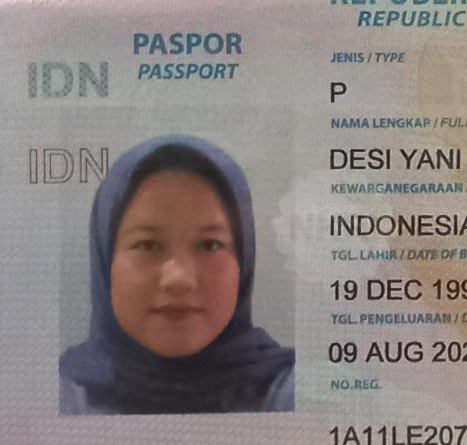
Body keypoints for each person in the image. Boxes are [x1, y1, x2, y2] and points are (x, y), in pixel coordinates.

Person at [59, 136, 295, 414]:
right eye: (148, 245)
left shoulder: (288, 391)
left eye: (210, 245)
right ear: (105, 258)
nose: (179, 279)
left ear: (243, 261)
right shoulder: (56, 397)